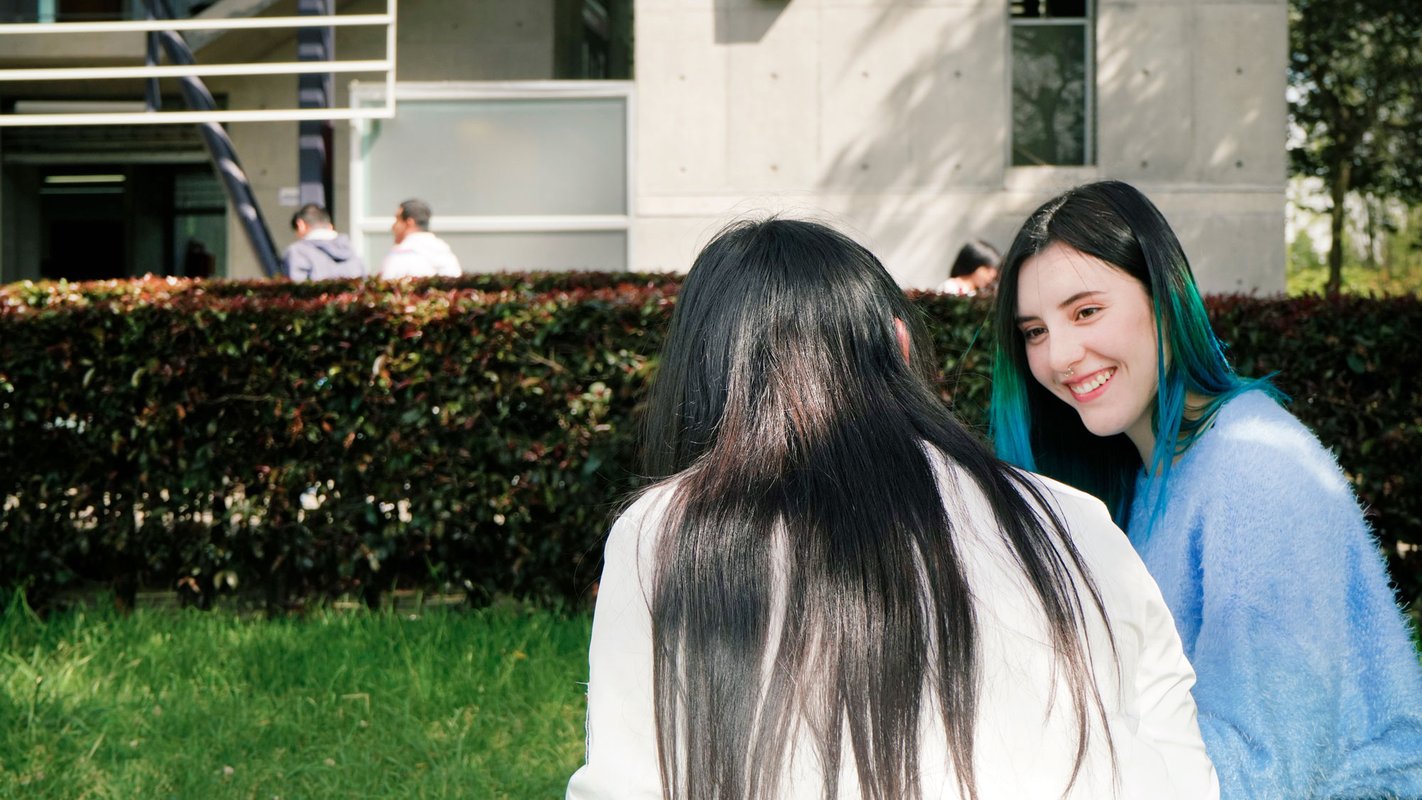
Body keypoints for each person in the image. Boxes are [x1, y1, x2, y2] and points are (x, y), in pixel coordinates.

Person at [568, 218, 1217, 800]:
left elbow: (624, 783)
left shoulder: (667, 532)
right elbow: (1177, 755)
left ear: (706, 376)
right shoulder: (1070, 520)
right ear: (901, 347)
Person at [989, 180, 1422, 799]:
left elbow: (1268, 766)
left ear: (1164, 300)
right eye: (1034, 331)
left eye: (1086, 311)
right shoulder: (1143, 475)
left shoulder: (1255, 465)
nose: (1060, 355)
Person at [281, 203, 367, 281]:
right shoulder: (351, 249)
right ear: (330, 227)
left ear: (301, 225)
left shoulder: (298, 251)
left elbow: (295, 288)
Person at [379, 198, 462, 279]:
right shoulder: (443, 249)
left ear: (409, 222)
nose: (393, 227)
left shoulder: (400, 254)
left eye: (397, 220)